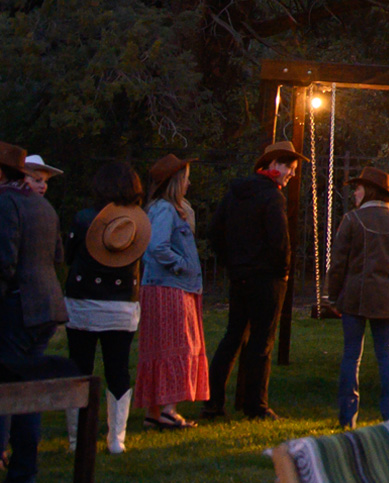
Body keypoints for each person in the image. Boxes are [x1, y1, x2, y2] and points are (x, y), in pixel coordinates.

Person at [0, 141, 63, 483]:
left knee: (0, 395)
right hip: (46, 307)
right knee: (28, 394)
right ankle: (23, 474)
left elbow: (1, 264)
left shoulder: (4, 204)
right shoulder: (42, 205)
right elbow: (57, 256)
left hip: (18, 309)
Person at [205, 140, 294, 420]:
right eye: (289, 167)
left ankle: (213, 402)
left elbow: (214, 230)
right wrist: (282, 269)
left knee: (232, 336)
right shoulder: (273, 197)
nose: (292, 173)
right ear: (274, 164)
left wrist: (232, 261)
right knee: (261, 341)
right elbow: (279, 240)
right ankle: (256, 405)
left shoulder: (235, 193)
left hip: (240, 275)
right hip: (267, 279)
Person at [64, 161, 148, 455]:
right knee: (118, 369)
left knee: (79, 368)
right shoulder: (138, 222)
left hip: (82, 303)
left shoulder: (84, 218)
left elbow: (68, 256)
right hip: (122, 306)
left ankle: (76, 439)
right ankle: (116, 440)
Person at [326, 168, 389, 429]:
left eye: (358, 188)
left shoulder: (352, 220)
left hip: (355, 295)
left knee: (352, 355)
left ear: (369, 191)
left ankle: (347, 417)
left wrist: (333, 297)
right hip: (387, 296)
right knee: (386, 354)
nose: (354, 193)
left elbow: (338, 263)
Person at [136, 154, 208, 430]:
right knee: (176, 345)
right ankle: (168, 409)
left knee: (160, 347)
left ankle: (154, 411)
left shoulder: (167, 208)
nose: (189, 183)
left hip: (163, 286)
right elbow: (157, 246)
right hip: (170, 287)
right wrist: (183, 265)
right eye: (186, 178)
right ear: (176, 181)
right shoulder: (166, 210)